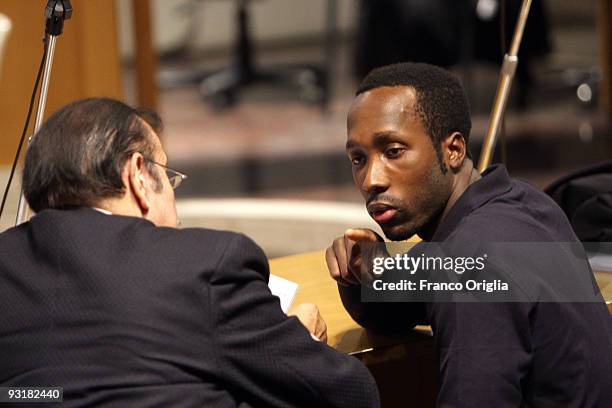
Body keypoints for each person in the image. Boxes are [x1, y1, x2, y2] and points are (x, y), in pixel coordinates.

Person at [0, 98, 380, 407]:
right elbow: (350, 394)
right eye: (169, 177)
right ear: (138, 176)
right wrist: (300, 340)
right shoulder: (203, 265)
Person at [326, 62, 612, 406]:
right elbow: (409, 295)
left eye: (393, 152)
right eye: (358, 159)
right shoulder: (524, 201)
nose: (372, 179)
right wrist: (365, 277)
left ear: (453, 150)